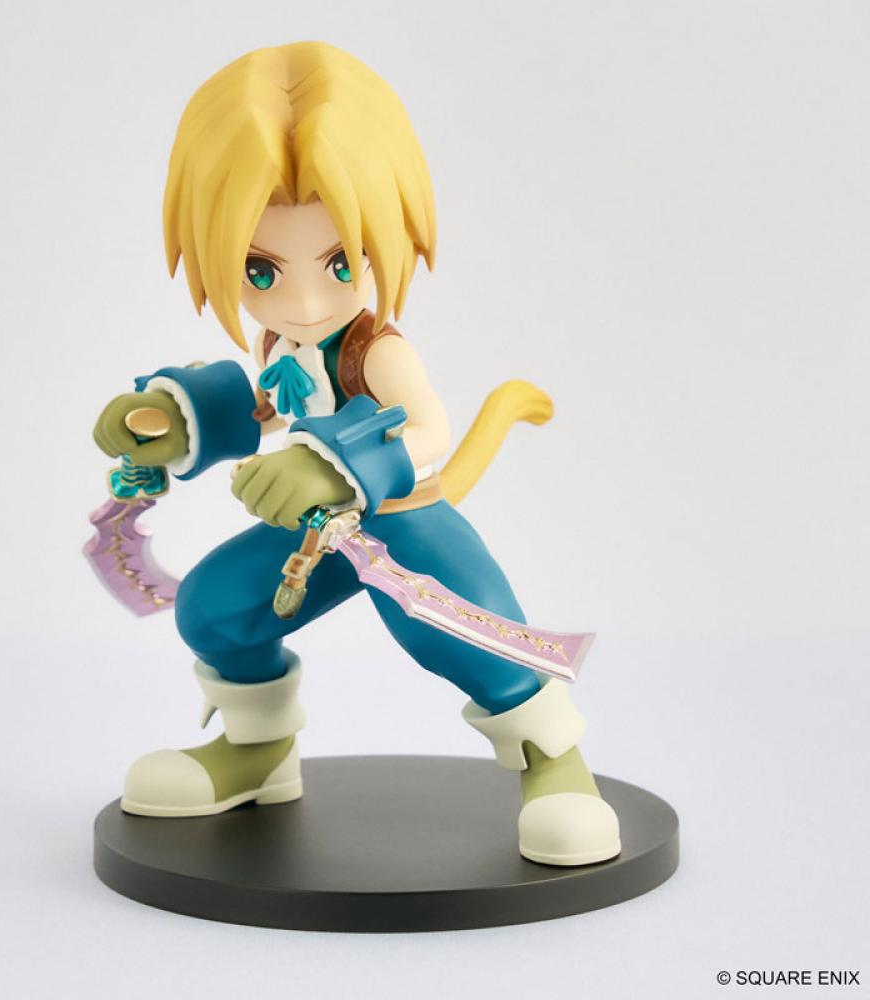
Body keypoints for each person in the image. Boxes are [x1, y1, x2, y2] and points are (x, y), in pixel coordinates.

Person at [91, 41, 620, 866]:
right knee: (216, 610)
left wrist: (336, 463)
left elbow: (429, 431)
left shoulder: (378, 350)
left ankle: (555, 762)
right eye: (260, 270)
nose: (305, 300)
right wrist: (177, 418)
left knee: (464, 636)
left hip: (406, 522)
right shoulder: (279, 344)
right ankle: (256, 751)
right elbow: (268, 408)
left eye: (342, 262)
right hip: (316, 535)